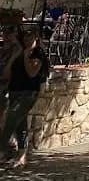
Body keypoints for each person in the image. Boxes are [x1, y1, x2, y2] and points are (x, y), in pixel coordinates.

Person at [0, 26, 50, 167]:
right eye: (25, 36)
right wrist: (15, 57)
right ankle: (21, 157)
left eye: (30, 36)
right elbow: (6, 74)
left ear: (36, 38)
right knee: (20, 124)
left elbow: (31, 73)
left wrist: (27, 55)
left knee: (11, 117)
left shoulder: (38, 53)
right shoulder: (19, 52)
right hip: (15, 91)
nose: (27, 39)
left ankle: (1, 150)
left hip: (28, 93)